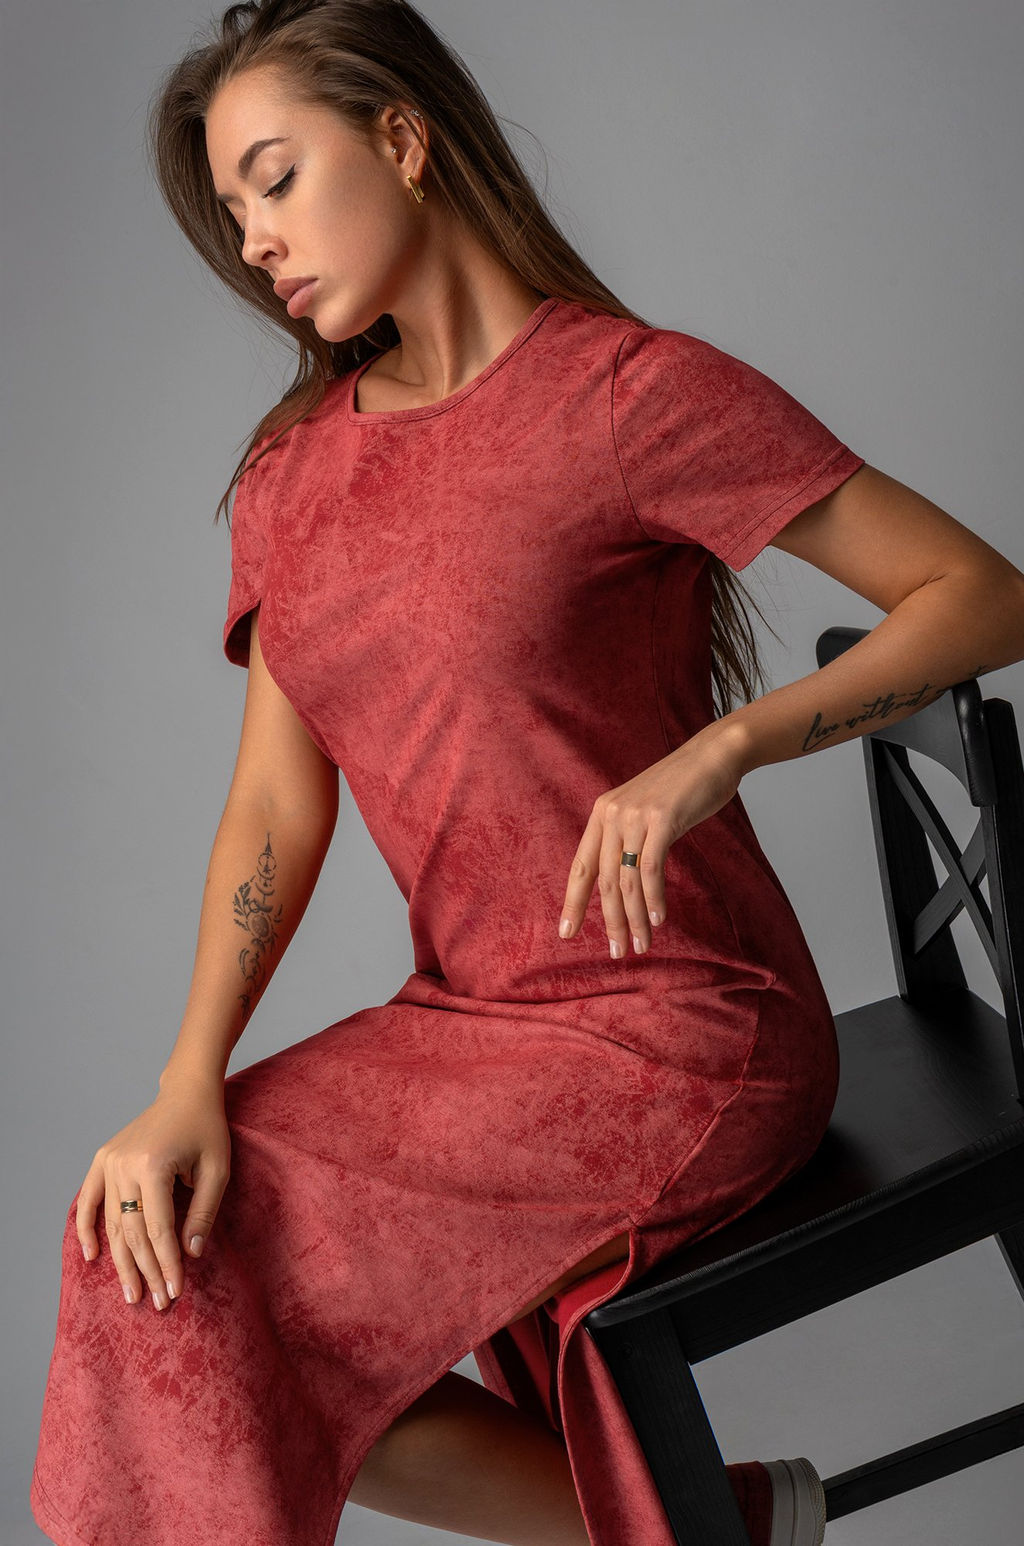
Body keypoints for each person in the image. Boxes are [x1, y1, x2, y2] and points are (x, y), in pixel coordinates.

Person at [29, 2, 1024, 1544]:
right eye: (233, 212)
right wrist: (185, 1083)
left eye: (276, 179)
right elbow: (274, 806)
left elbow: (984, 593)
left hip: (685, 1028)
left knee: (209, 1279)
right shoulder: (293, 479)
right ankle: (705, 1528)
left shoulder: (627, 395)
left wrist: (727, 743)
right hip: (473, 1028)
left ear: (403, 138)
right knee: (157, 1246)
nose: (256, 241)